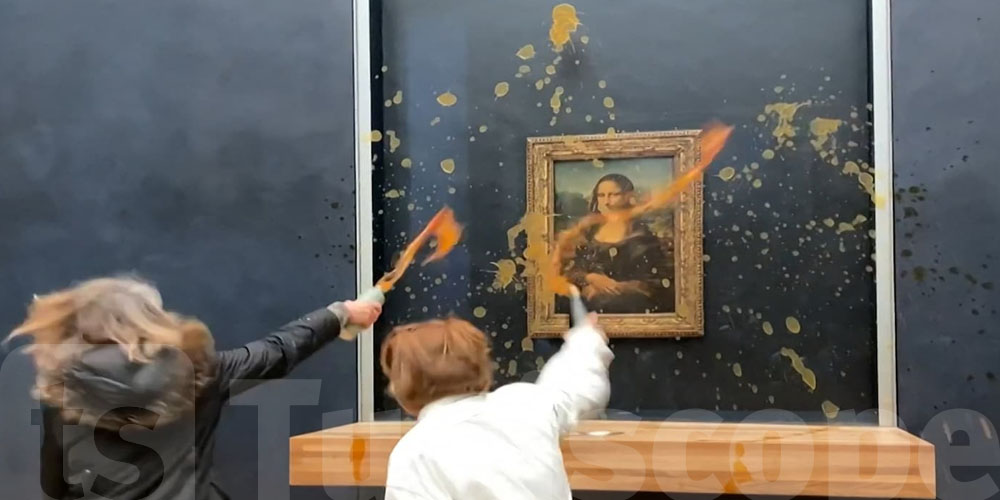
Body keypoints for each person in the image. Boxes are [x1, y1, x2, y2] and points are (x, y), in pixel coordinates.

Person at [6, 275, 381, 500]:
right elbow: (278, 351)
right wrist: (341, 314)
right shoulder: (202, 372)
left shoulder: (62, 389)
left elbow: (54, 484)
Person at [380, 313, 613, 500]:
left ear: (402, 389)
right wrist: (587, 340)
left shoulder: (415, 452)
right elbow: (575, 385)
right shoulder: (525, 405)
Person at [564, 173, 674, 314]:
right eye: (601, 195)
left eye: (613, 194)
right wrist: (591, 278)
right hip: (589, 301)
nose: (606, 201)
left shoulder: (642, 235)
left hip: (630, 304)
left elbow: (657, 281)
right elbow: (573, 270)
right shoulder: (590, 232)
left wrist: (617, 288)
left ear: (628, 196)